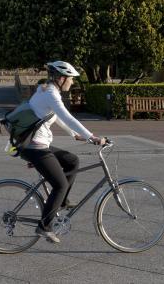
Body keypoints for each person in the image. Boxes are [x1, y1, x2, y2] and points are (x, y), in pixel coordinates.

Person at [21, 61, 105, 244]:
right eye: (71, 79)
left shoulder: (45, 90)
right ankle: (44, 227)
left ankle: (63, 201)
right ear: (61, 78)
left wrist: (74, 135)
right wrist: (92, 137)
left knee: (72, 161)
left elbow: (56, 116)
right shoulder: (51, 93)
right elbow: (67, 116)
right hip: (35, 146)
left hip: (36, 144)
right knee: (60, 185)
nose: (72, 83)